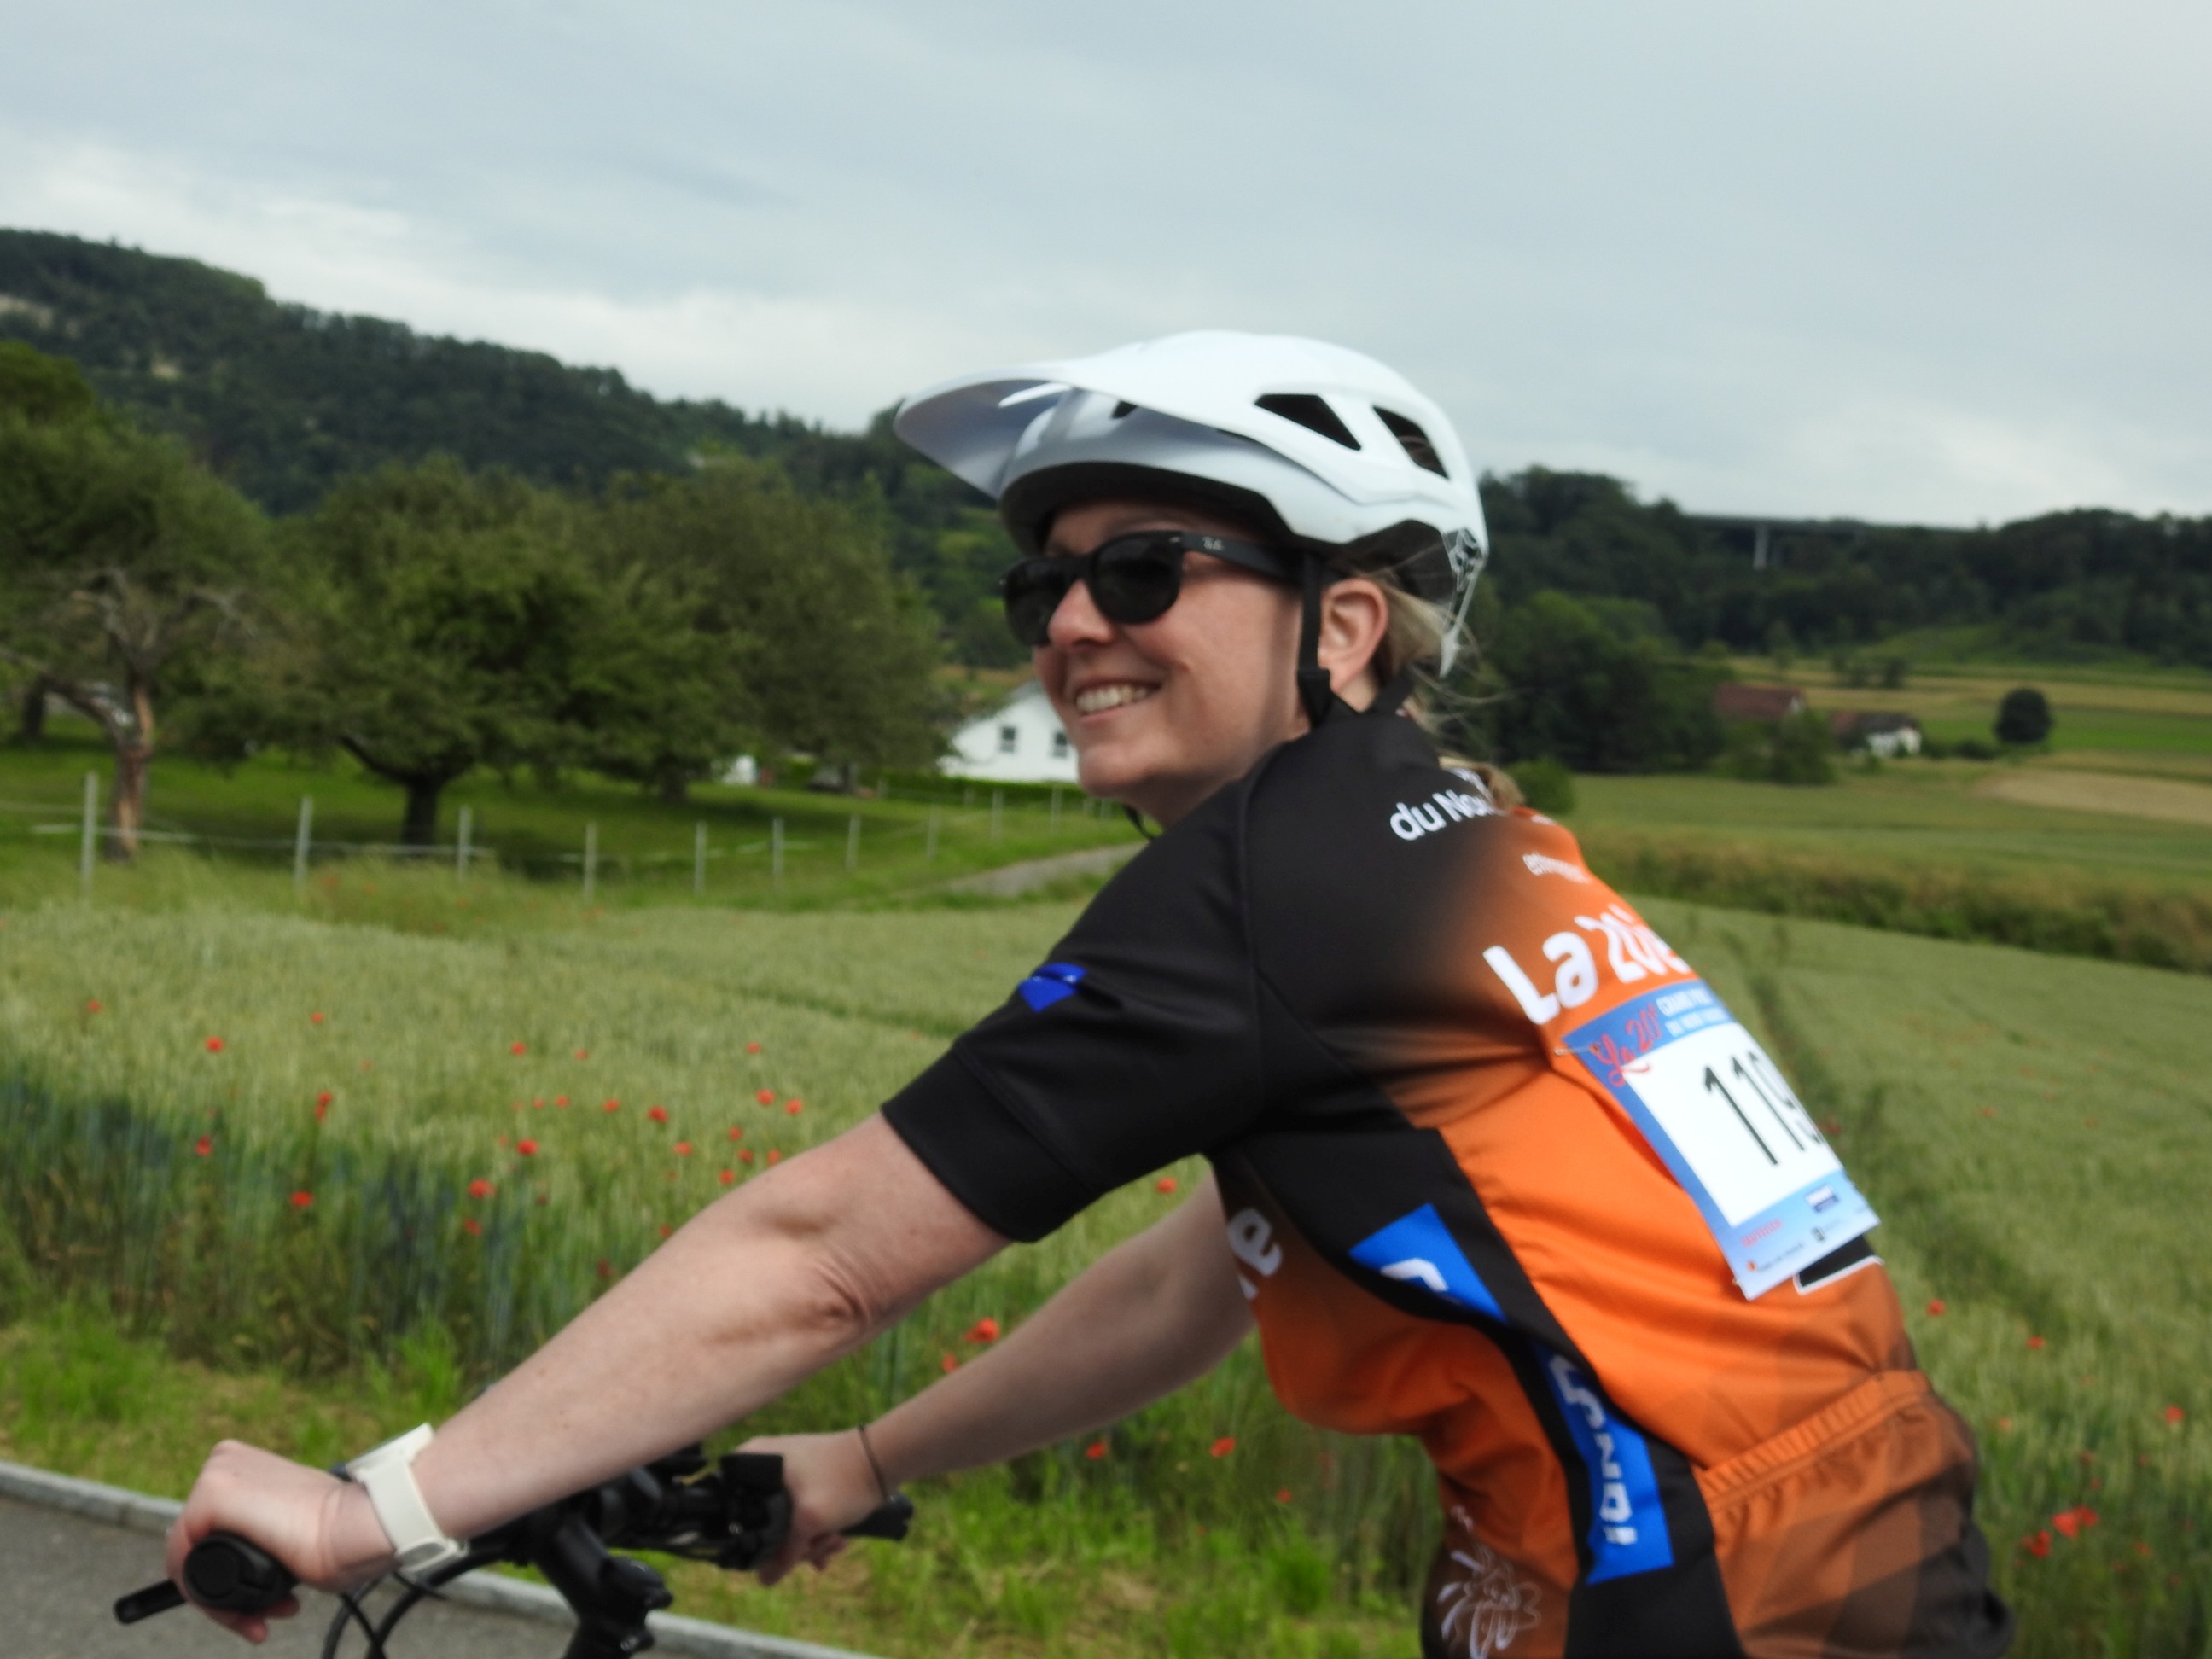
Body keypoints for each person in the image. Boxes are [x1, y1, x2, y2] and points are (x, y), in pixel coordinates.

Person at [172, 333, 2011, 1657]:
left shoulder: (1283, 878)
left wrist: (367, 1510)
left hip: (1709, 1590)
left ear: (1344, 625)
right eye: (1041, 584)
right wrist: (869, 1460)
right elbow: (1210, 1273)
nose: (1068, 626)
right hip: (1825, 1545)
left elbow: (822, 1254)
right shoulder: (1465, 835)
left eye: (1142, 571)